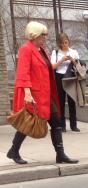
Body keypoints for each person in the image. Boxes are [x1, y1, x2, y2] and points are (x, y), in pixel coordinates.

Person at [7, 21, 76, 165]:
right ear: (34, 35)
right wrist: (27, 93)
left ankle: (60, 155)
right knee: (28, 123)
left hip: (46, 95)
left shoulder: (41, 50)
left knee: (56, 122)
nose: (45, 38)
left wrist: (61, 63)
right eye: (42, 35)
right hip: (34, 95)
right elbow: (23, 72)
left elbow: (46, 68)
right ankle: (14, 150)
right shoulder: (26, 49)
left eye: (45, 35)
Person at [51, 32, 80, 132]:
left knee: (72, 101)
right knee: (60, 102)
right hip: (59, 77)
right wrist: (61, 60)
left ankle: (73, 125)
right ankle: (62, 125)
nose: (65, 45)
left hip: (71, 77)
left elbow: (79, 67)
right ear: (59, 44)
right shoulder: (55, 52)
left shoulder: (74, 52)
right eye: (62, 43)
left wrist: (72, 60)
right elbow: (52, 67)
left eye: (66, 42)